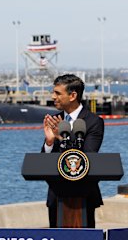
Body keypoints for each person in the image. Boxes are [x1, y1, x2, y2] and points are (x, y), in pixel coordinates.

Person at [41, 74, 104, 228]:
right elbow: (42, 163)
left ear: (72, 96)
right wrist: (49, 142)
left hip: (83, 195)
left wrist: (63, 139)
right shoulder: (54, 120)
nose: (53, 96)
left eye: (57, 93)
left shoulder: (93, 122)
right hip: (57, 195)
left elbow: (87, 157)